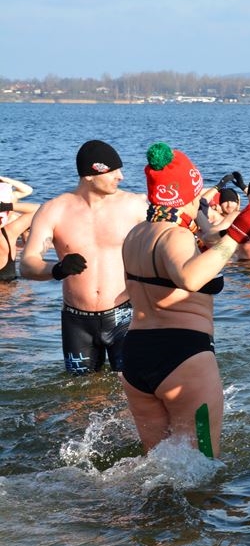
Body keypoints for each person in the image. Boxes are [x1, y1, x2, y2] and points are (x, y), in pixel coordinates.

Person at [121, 143, 250, 456]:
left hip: (135, 354)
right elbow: (190, 277)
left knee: (154, 463)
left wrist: (218, 233)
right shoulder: (176, 236)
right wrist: (236, 236)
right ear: (187, 193)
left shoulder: (136, 235)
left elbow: (180, 255)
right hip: (182, 355)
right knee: (203, 463)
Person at [20, 140, 147, 375]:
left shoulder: (134, 206)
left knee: (132, 385)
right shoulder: (54, 210)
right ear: (90, 174)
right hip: (76, 321)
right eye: (112, 171)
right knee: (80, 390)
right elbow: (27, 264)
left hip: (124, 315)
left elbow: (164, 245)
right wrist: (57, 269)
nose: (121, 177)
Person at [0, 177, 39, 281]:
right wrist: (6, 206)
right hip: (10, 288)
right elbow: (37, 209)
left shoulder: (9, 231)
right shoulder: (9, 232)